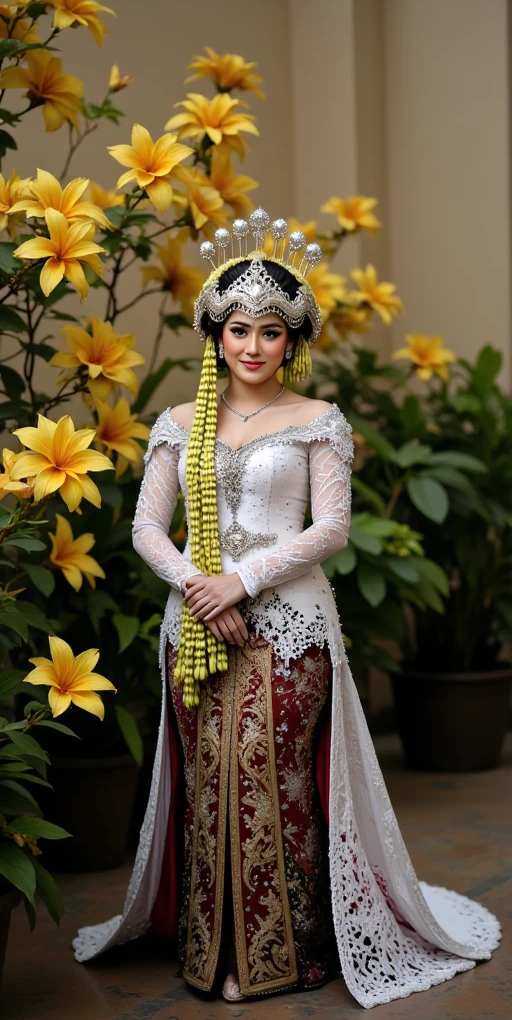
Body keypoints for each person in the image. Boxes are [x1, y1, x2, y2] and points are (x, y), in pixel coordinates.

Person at [72, 209, 501, 1008]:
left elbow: (332, 529)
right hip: (194, 628)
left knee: (277, 783)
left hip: (293, 628)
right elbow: (144, 528)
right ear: (217, 334)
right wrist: (203, 591)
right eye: (239, 329)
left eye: (272, 331)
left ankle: (289, 954)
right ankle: (210, 950)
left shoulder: (317, 421)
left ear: (292, 339)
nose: (254, 346)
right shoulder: (178, 422)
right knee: (209, 784)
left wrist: (245, 581)